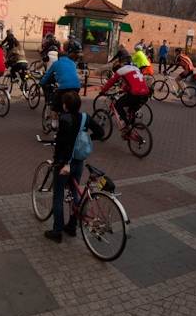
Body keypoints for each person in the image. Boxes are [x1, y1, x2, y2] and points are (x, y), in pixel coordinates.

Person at [44, 92, 104, 243]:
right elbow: (100, 132)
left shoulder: (64, 119)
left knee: (58, 196)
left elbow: (68, 143)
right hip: (79, 161)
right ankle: (72, 225)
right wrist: (86, 138)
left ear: (65, 105)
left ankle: (57, 231)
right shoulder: (85, 117)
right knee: (74, 193)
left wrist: (66, 164)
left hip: (66, 162)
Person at [99, 59, 150, 131]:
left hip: (135, 94)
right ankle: (131, 130)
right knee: (131, 110)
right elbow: (131, 84)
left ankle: (127, 125)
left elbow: (111, 81)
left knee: (117, 105)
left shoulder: (121, 70)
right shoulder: (136, 69)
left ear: (122, 64)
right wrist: (123, 90)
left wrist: (103, 91)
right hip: (145, 94)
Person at [40, 51, 82, 131]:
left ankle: (54, 124)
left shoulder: (56, 63)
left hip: (64, 87)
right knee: (71, 103)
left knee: (55, 105)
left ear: (58, 57)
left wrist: (42, 82)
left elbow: (48, 75)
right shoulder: (73, 63)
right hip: (76, 86)